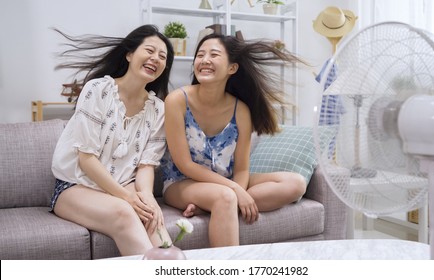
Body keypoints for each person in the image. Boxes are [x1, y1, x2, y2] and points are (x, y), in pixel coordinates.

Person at [161, 33, 308, 247]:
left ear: (232, 68)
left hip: (226, 179)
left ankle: (209, 206)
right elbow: (185, 164)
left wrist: (236, 188)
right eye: (200, 55)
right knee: (225, 197)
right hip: (181, 182)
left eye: (214, 54)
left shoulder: (241, 110)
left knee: (296, 183)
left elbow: (241, 170)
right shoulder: (177, 100)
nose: (204, 60)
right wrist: (236, 192)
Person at [50, 24, 174, 256]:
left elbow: (146, 165)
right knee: (125, 212)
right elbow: (86, 159)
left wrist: (147, 198)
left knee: (152, 217)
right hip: (75, 186)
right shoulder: (97, 90)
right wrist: (128, 198)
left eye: (162, 56)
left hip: (124, 183)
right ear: (129, 54)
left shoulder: (159, 109)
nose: (155, 58)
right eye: (149, 50)